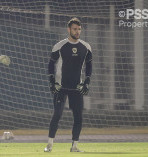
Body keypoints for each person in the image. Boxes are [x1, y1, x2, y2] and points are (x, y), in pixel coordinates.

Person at [44, 17, 92, 152]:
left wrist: (87, 82)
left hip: (77, 87)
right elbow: (50, 64)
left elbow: (89, 65)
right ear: (69, 29)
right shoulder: (59, 46)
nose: (77, 32)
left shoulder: (86, 47)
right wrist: (52, 82)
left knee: (78, 116)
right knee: (57, 114)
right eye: (75, 29)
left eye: (79, 29)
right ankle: (49, 145)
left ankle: (74, 146)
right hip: (61, 87)